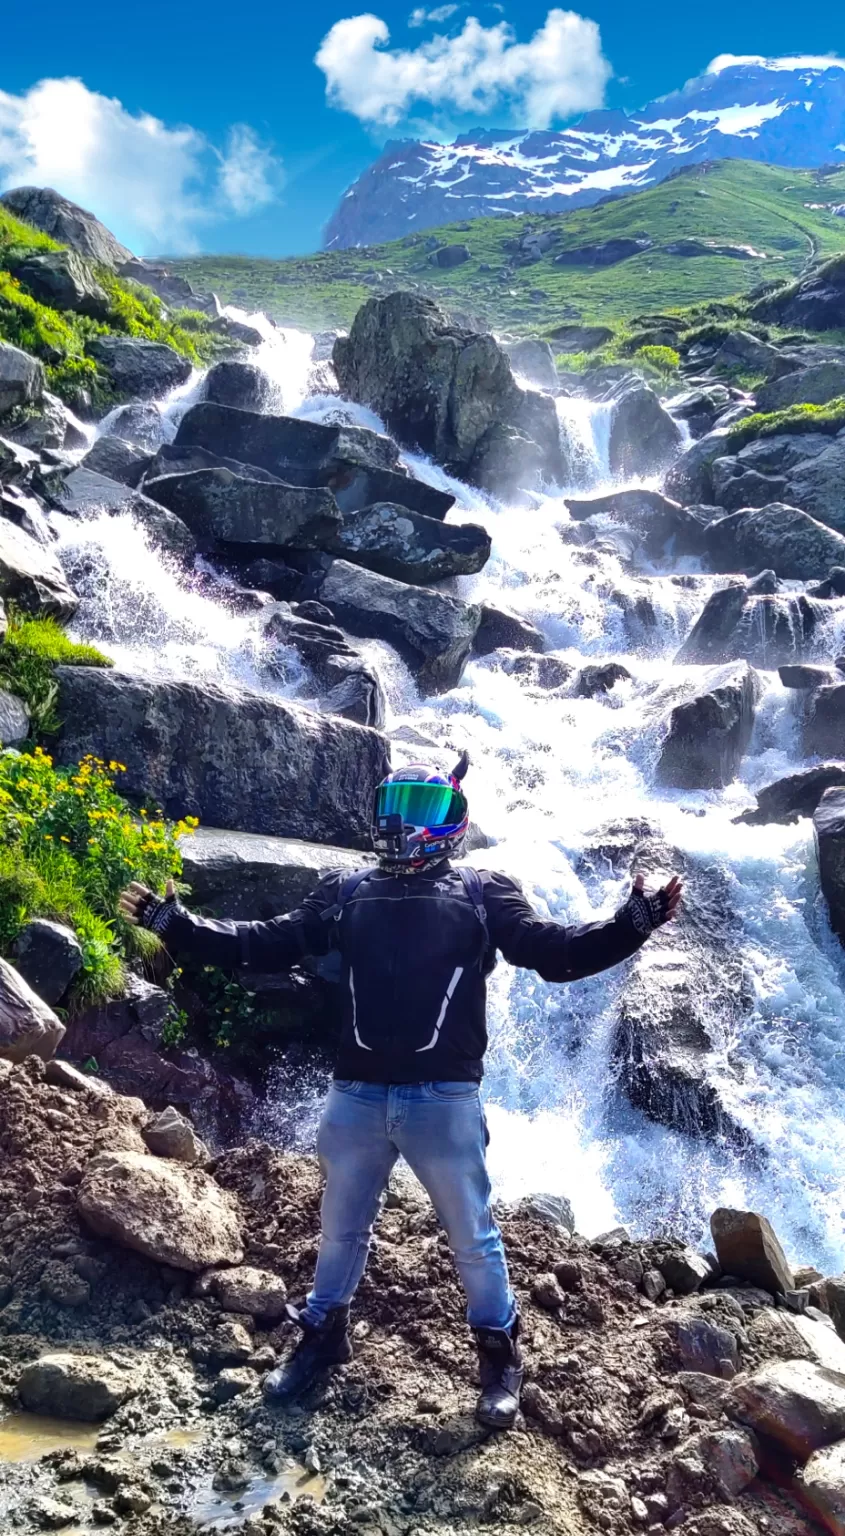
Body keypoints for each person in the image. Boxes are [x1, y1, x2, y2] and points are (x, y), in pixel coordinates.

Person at [119, 754, 682, 1430]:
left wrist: (634, 921)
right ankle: (322, 1340)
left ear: (452, 823)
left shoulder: (482, 892)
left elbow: (554, 953)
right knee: (338, 1232)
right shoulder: (345, 891)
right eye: (395, 806)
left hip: (442, 1097)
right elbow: (267, 944)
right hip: (354, 1095)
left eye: (421, 808)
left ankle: (499, 1362)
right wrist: (177, 926)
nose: (402, 824)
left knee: (472, 1238)